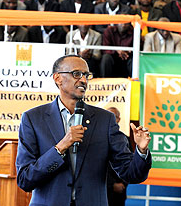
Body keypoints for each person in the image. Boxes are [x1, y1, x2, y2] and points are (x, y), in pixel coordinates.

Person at [16, 55, 152, 205]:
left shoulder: (105, 120)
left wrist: (141, 151)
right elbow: (25, 179)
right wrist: (60, 148)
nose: (83, 80)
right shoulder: (33, 119)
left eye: (87, 75)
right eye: (76, 74)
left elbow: (130, 173)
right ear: (57, 78)